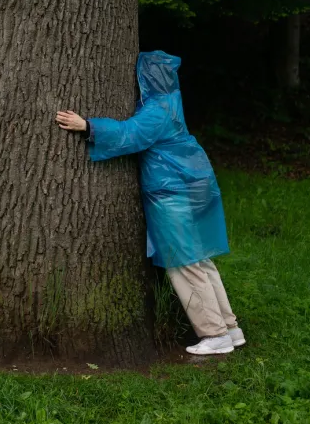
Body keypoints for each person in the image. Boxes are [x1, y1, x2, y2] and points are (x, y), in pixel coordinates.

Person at [55, 51, 245, 356]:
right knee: (200, 260)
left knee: (182, 263)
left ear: (147, 79)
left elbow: (131, 134)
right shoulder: (170, 102)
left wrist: (88, 126)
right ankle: (230, 329)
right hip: (189, 185)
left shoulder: (157, 109)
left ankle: (215, 334)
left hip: (173, 192)